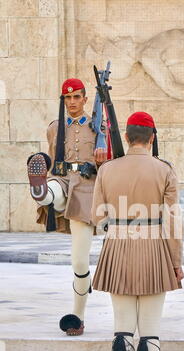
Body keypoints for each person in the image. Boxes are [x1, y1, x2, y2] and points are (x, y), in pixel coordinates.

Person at [91, 111, 184, 351]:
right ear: (152, 138)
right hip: (155, 248)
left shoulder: (106, 170)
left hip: (117, 247)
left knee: (122, 329)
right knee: (151, 330)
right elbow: (172, 222)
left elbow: (97, 217)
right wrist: (176, 262)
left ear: (127, 137)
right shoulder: (164, 170)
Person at [27, 78, 107, 336]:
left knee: (80, 261)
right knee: (53, 189)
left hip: (86, 191)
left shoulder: (100, 129)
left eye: (76, 97)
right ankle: (41, 192)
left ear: (85, 99)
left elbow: (112, 167)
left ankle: (78, 315)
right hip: (61, 180)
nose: (72, 102)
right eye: (67, 98)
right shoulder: (55, 128)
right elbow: (53, 160)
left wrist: (103, 155)